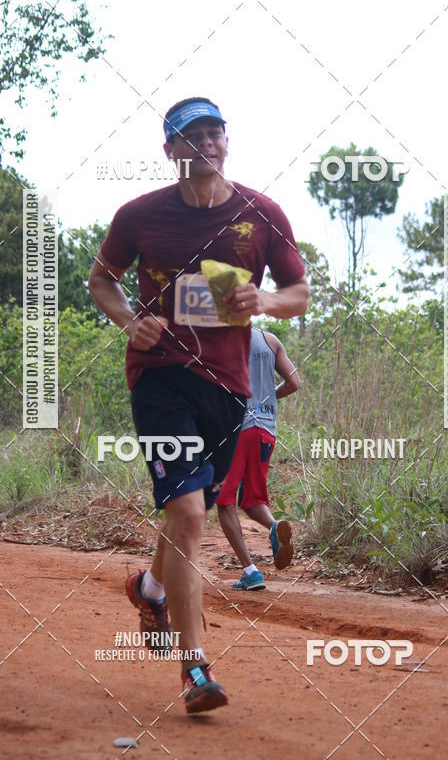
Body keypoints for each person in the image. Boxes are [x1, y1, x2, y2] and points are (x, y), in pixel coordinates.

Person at [88, 97, 309, 714]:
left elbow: (300, 292)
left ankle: (151, 588)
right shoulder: (139, 215)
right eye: (192, 136)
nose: (206, 143)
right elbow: (101, 277)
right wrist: (129, 321)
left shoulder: (261, 214)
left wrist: (263, 301)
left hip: (229, 390)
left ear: (226, 141)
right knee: (188, 512)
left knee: (187, 516)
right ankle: (195, 670)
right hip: (159, 378)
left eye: (215, 132)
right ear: (171, 152)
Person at [216, 328, 300, 590]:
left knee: (224, 502)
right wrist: (266, 398)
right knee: (252, 500)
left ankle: (251, 572)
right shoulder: (271, 340)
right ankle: (275, 526)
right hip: (266, 432)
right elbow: (295, 382)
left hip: (236, 432)